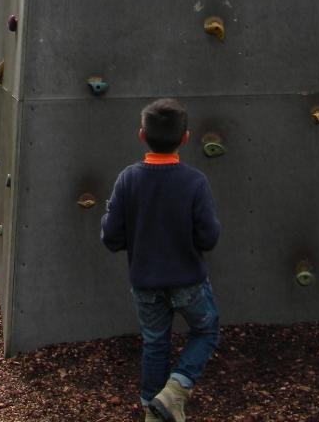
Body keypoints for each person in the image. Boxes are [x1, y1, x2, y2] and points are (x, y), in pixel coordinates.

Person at [101, 98, 221, 422]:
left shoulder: (128, 179)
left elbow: (111, 236)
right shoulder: (194, 182)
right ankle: (174, 392)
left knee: (155, 343)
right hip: (188, 279)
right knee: (206, 331)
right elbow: (209, 237)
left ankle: (151, 411)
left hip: (145, 282)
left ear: (142, 135)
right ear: (185, 137)